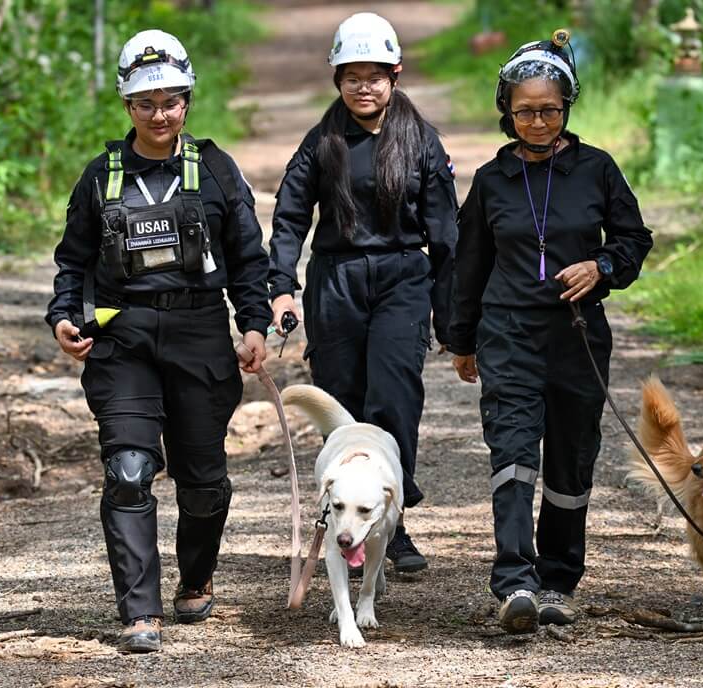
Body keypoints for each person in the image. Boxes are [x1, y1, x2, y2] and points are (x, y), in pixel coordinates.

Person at [45, 29, 272, 653]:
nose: (160, 114)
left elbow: (248, 260)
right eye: (146, 103)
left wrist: (253, 324)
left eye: (171, 101)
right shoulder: (101, 176)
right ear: (127, 105)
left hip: (200, 334)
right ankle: (139, 612)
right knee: (128, 471)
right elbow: (73, 261)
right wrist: (64, 316)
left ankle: (195, 577)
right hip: (124, 339)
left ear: (187, 101)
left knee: (203, 483)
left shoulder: (216, 170)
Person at [448, 31, 653, 637]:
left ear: (567, 107)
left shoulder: (597, 170)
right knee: (512, 452)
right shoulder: (491, 180)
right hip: (508, 333)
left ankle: (559, 579)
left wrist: (602, 267)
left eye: (549, 110)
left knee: (571, 457)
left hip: (578, 335)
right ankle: (515, 580)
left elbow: (634, 239)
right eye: (525, 111)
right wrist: (461, 340)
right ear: (506, 111)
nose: (537, 122)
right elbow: (468, 265)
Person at [268, 12, 458, 573]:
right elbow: (289, 216)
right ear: (337, 79)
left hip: (403, 277)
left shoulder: (421, 141)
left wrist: (453, 318)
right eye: (352, 76)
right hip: (337, 280)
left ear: (395, 76)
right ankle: (342, 521)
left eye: (375, 76)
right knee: (343, 403)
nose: (364, 86)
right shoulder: (321, 142)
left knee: (393, 398)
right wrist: (282, 288)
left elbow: (447, 234)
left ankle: (391, 524)